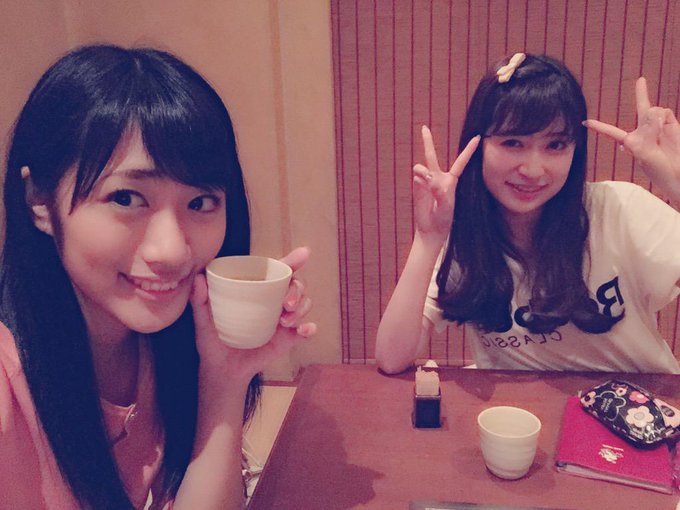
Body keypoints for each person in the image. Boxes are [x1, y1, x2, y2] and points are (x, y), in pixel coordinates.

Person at [0, 44, 315, 509]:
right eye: (126, 198)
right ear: (40, 201)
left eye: (200, 202)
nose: (172, 251)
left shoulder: (161, 341)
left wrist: (225, 379)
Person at [376, 53, 680, 375]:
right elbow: (392, 358)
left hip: (644, 402)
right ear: (478, 147)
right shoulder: (464, 239)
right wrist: (428, 238)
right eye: (512, 142)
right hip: (526, 406)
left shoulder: (619, 209)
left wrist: (676, 184)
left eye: (555, 145)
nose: (533, 170)